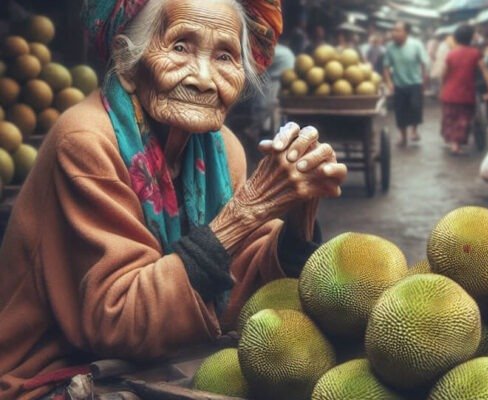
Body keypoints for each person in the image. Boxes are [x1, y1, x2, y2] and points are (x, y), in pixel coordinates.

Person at [0, 0, 347, 398]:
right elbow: (119, 322)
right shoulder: (85, 142)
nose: (203, 78)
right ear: (127, 59)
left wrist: (298, 212)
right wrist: (247, 209)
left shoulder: (222, 148)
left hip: (158, 360)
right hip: (57, 373)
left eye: (225, 56)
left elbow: (238, 286)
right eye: (180, 47)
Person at [440, 25, 488, 155]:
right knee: (463, 120)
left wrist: (442, 88)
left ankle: (453, 143)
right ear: (471, 38)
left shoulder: (451, 54)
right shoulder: (475, 53)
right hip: (466, 94)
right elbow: (485, 72)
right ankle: (456, 144)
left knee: (450, 118)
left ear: (456, 38)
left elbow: (444, 74)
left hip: (449, 93)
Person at [383, 21, 430, 147]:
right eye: (394, 30)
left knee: (415, 107)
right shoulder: (390, 47)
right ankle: (403, 136)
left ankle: (414, 131)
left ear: (406, 32)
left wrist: (424, 80)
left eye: (398, 30)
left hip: (415, 83)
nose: (394, 33)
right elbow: (386, 66)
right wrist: (389, 83)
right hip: (399, 84)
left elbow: (424, 62)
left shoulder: (416, 45)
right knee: (400, 111)